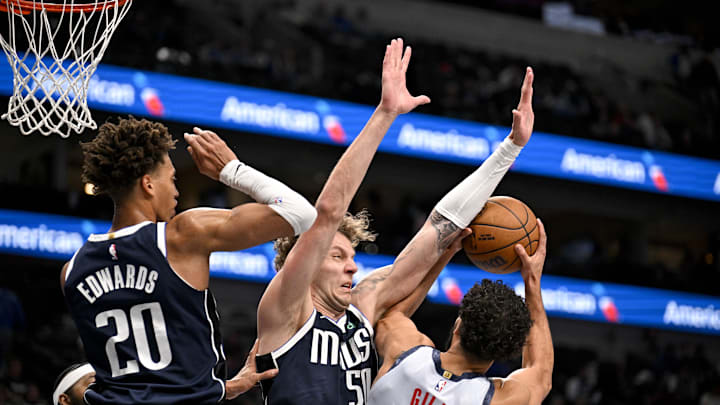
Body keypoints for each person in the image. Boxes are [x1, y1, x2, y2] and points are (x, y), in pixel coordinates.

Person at [256, 36, 536, 404]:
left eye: (351, 257)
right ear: (303, 264)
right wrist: (386, 113)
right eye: (338, 256)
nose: (352, 268)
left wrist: (510, 149)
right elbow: (328, 213)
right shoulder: (285, 308)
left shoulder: (361, 308)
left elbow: (437, 228)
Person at [60, 117, 317, 404]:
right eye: (171, 179)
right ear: (148, 184)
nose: (177, 191)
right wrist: (231, 170)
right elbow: (301, 213)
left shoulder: (72, 270)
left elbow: (144, 377)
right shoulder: (181, 236)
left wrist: (224, 387)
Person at [368, 219, 552, 405]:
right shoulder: (499, 399)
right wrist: (532, 281)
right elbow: (541, 376)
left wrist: (446, 253)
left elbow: (390, 313)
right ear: (504, 352)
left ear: (458, 324)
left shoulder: (405, 352)